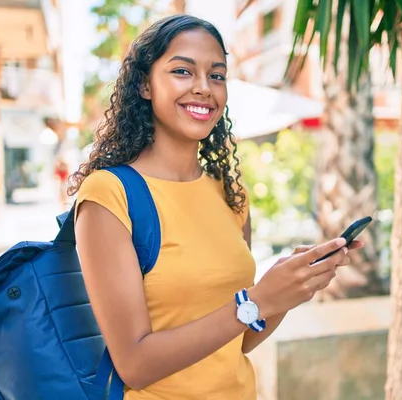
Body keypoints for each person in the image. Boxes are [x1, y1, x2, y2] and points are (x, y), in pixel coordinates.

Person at [68, 15, 364, 400]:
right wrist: (256, 300)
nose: (203, 88)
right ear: (144, 84)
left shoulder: (230, 193)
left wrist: (290, 290)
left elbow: (237, 344)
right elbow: (135, 365)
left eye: (217, 75)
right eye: (182, 71)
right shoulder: (109, 195)